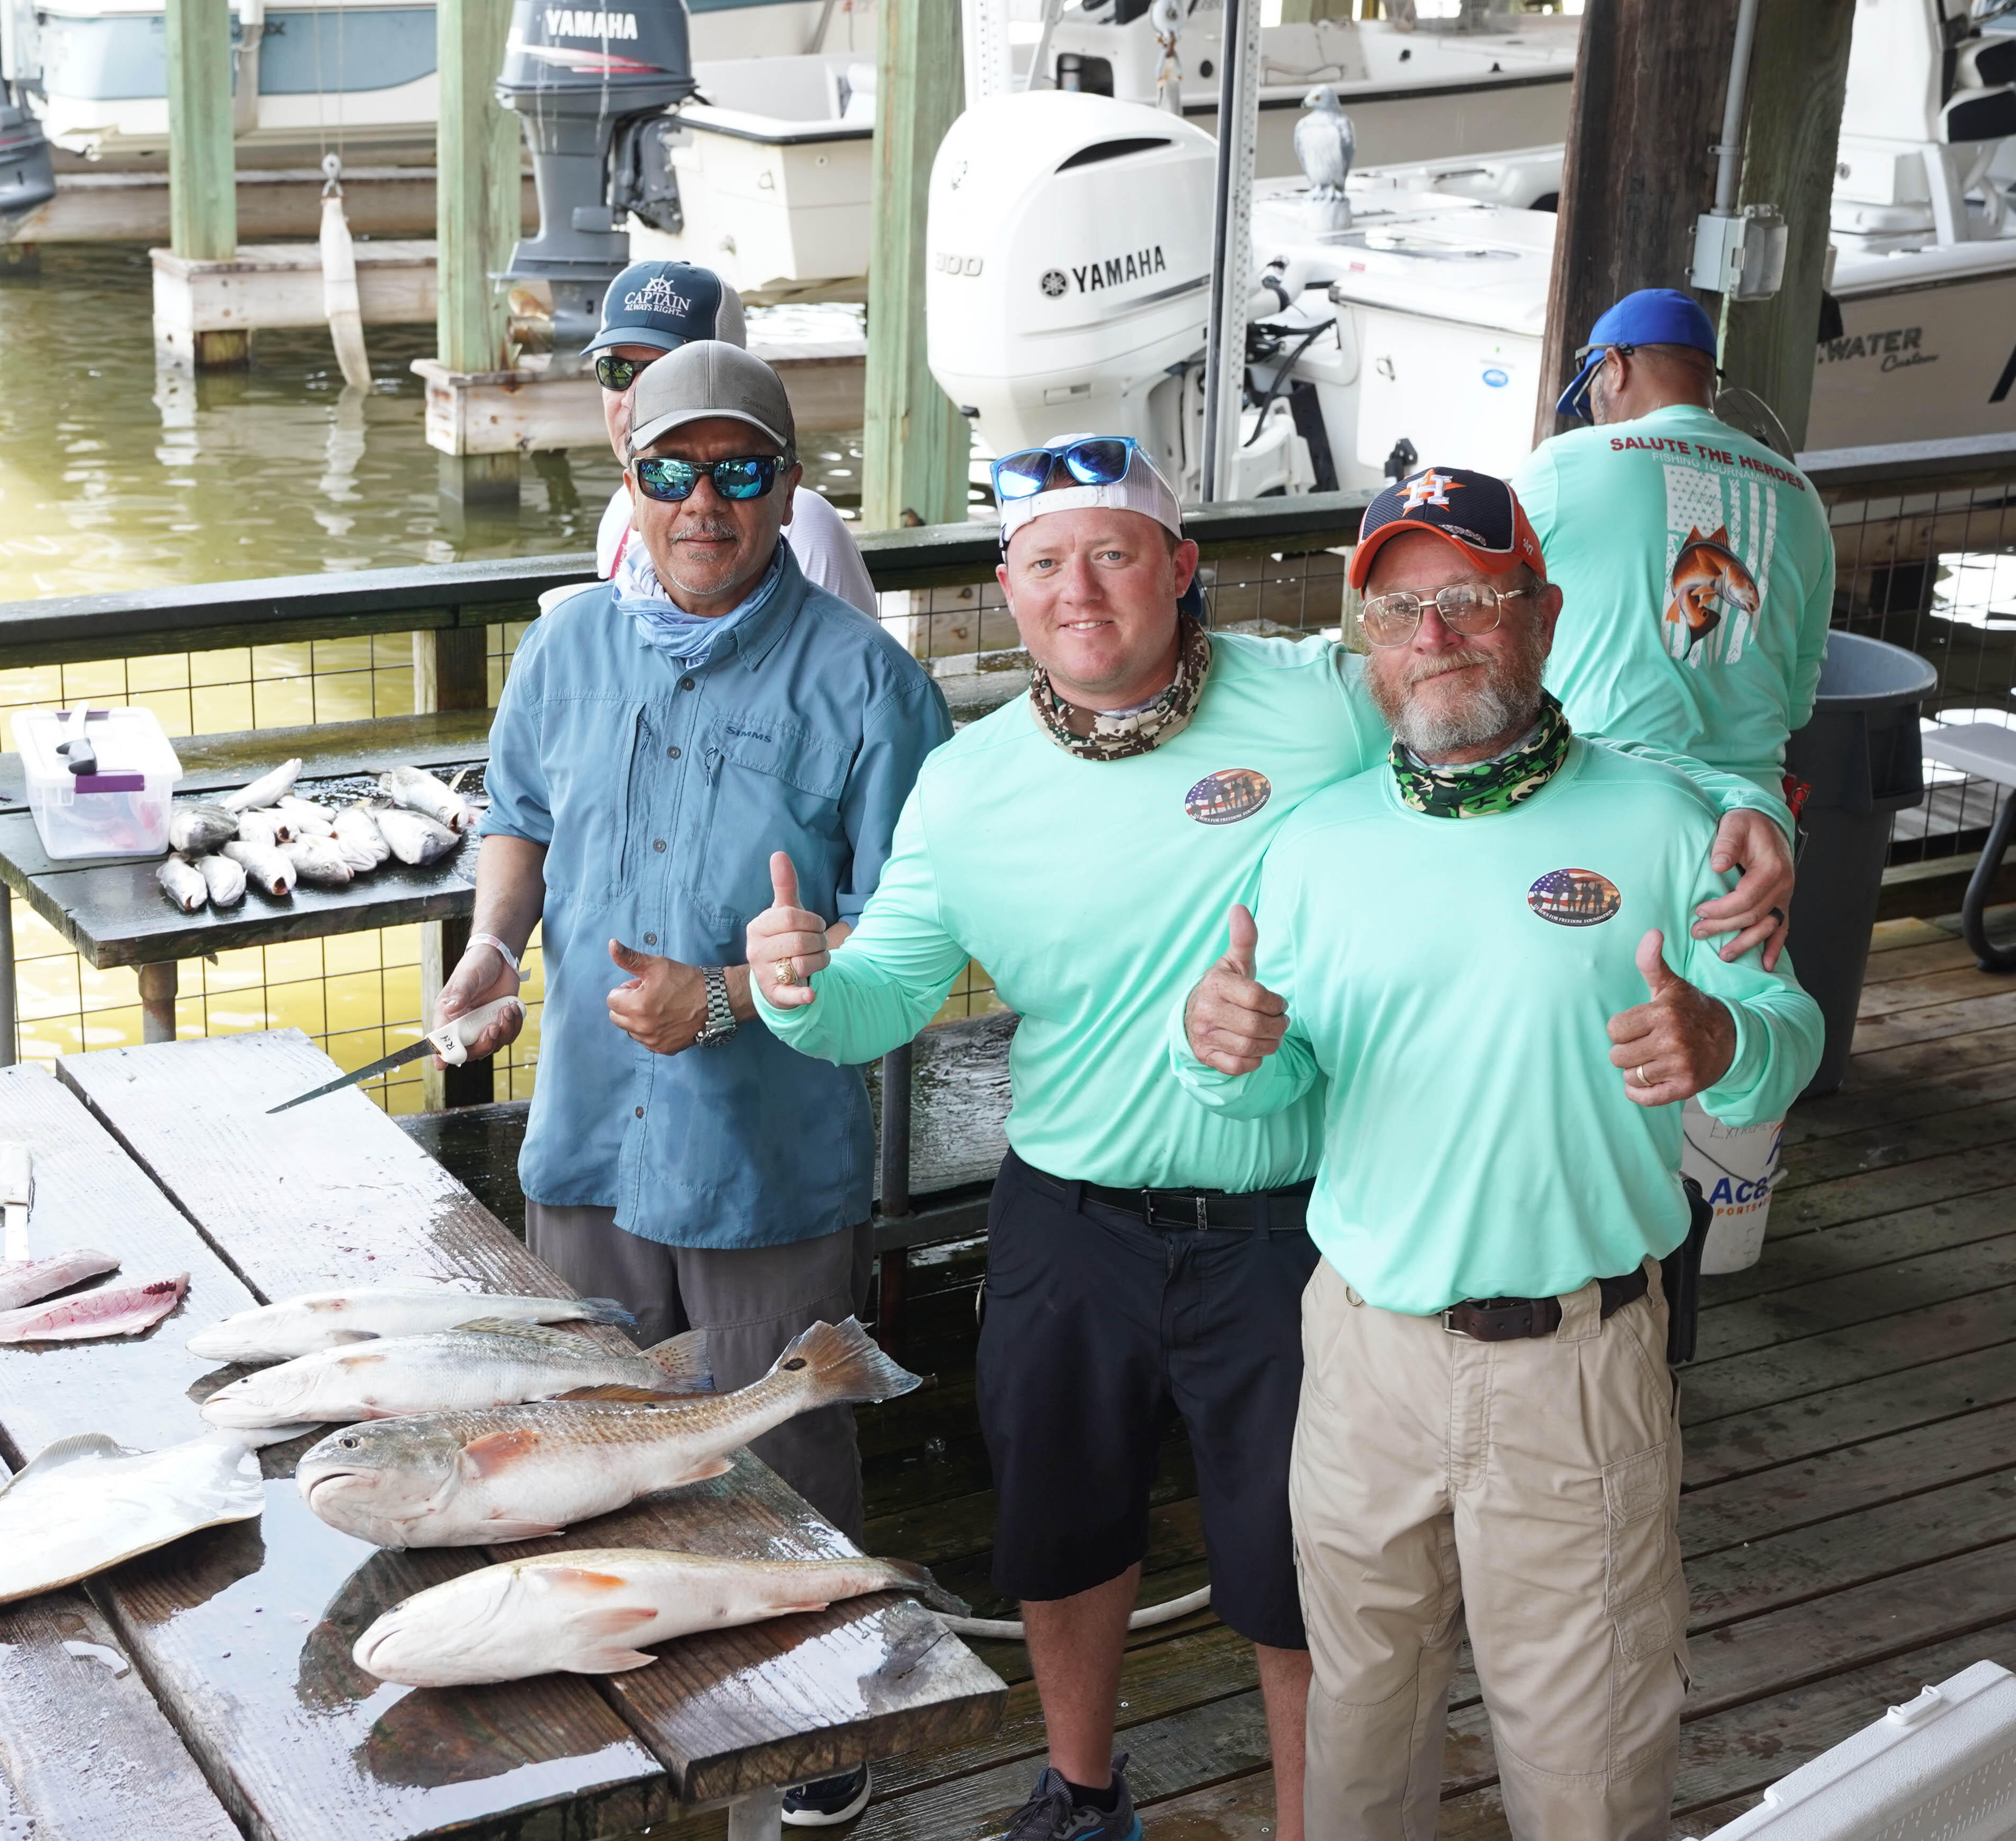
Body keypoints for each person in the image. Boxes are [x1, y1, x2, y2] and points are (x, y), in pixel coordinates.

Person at [741, 439, 1797, 1841]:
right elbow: (888, 991)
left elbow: (1532, 738)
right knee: (1070, 1537)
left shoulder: (1321, 707)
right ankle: (1082, 1786)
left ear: (1182, 568)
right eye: (1048, 561)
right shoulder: (981, 784)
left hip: (1296, 1229)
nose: (1083, 590)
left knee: (1313, 1592)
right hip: (1096, 1212)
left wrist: (1751, 815)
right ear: (1007, 588)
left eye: (1116, 551)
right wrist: (794, 986)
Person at [1174, 465, 1825, 1841]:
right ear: (1367, 642)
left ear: (1544, 613)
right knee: (1356, 1751)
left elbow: (1787, 1030)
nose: (1438, 634)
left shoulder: (1666, 821)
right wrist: (1224, 1052)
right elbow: (1272, 1090)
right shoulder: (1313, 843)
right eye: (1403, 609)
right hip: (1359, 1361)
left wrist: (1721, 1042)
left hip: (1574, 1374)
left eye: (1475, 597)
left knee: (1587, 1773)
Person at [436, 339, 951, 1828]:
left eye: (739, 471)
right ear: (631, 480)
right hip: (586, 1143)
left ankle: (817, 1721)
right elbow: (520, 813)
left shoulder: (871, 684)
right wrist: (490, 945)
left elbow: (922, 931)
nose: (703, 501)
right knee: (583, 1437)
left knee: (778, 1444)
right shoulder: (566, 646)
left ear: (791, 491)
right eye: (673, 469)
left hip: (762, 1157)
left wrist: (730, 993)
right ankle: (618, 1710)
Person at [1522, 288, 1837, 830]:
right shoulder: (1799, 494)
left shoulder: (1565, 465)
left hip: (1609, 799)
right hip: (1750, 824)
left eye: (1592, 389)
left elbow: (1481, 610)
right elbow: (1795, 708)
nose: (1595, 411)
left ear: (1614, 367)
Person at [581, 260, 880, 614]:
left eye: (668, 374)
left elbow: (847, 655)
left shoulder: (806, 526)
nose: (632, 397)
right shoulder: (622, 511)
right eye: (617, 371)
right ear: (633, 486)